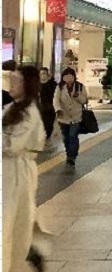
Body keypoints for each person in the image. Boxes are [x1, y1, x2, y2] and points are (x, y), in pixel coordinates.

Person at [3, 65, 46, 272]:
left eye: (16, 81)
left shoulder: (29, 113)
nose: (11, 84)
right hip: (8, 172)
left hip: (17, 172)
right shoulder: (12, 108)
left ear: (27, 85)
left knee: (11, 223)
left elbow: (12, 145)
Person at [53, 67, 88, 166]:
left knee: (73, 136)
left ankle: (72, 156)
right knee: (66, 138)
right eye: (66, 76)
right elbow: (55, 100)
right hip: (63, 117)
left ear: (74, 77)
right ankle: (69, 154)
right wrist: (58, 109)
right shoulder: (60, 87)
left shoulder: (80, 86)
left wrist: (78, 96)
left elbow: (85, 100)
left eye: (70, 76)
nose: (68, 78)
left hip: (76, 117)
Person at [38, 68, 58, 147]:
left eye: (44, 73)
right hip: (40, 107)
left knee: (49, 124)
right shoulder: (36, 84)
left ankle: (47, 138)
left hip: (50, 108)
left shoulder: (52, 84)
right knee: (41, 123)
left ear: (47, 74)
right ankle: (42, 138)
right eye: (41, 74)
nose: (42, 76)